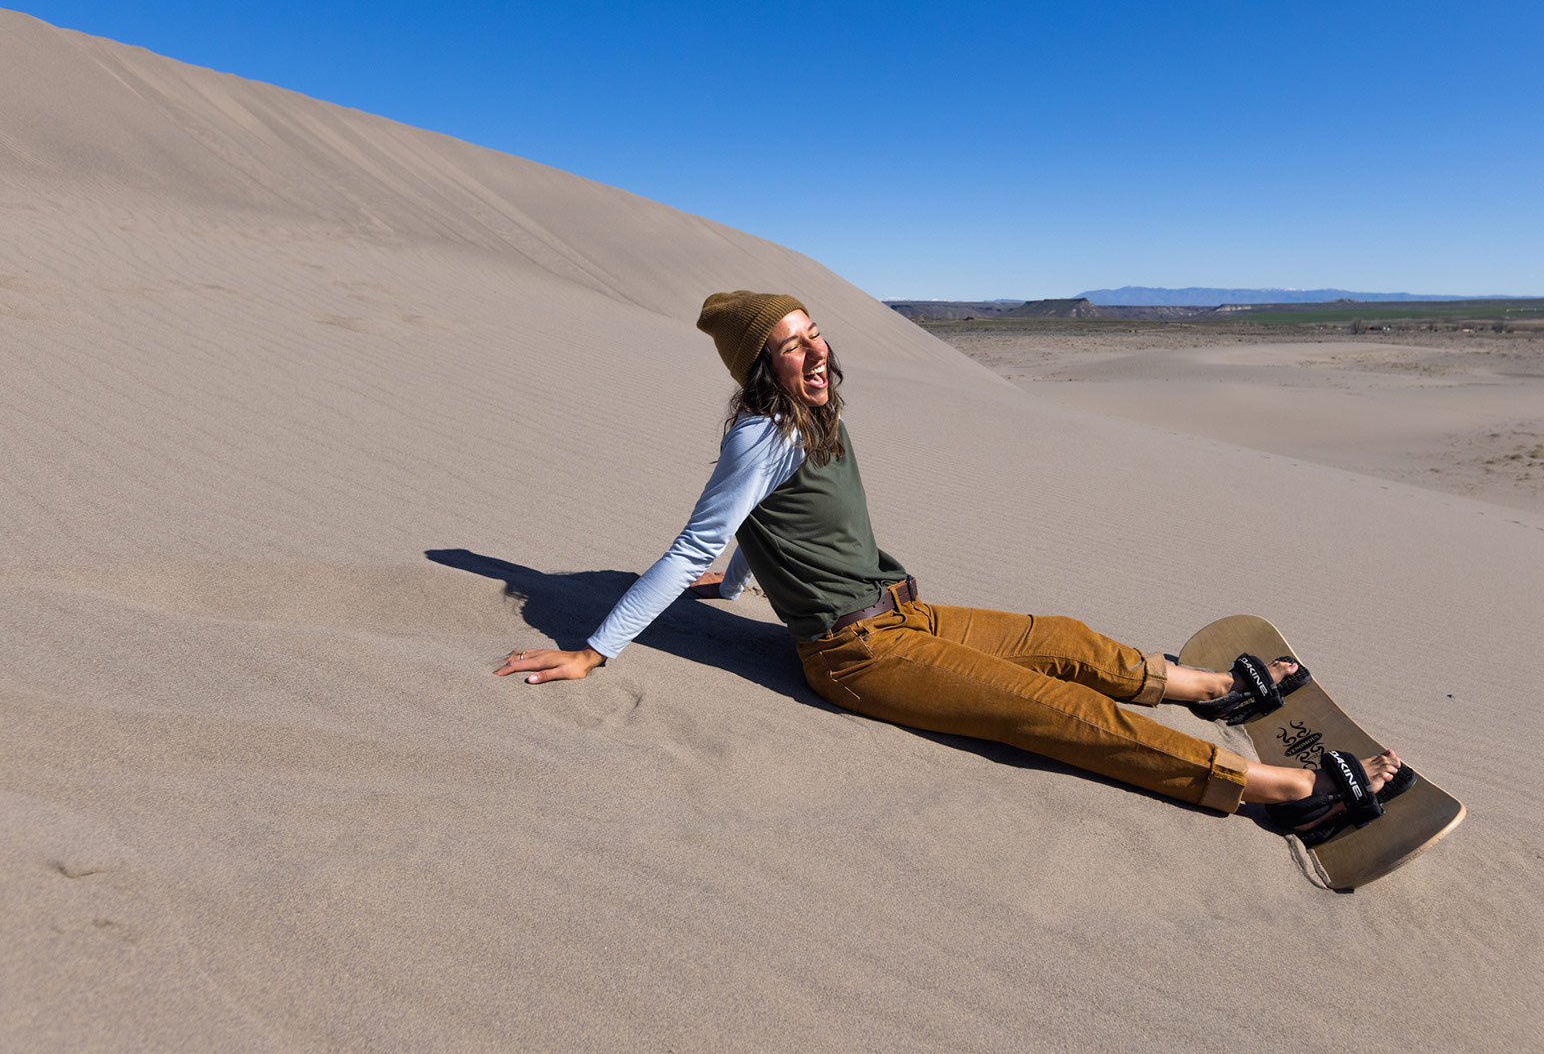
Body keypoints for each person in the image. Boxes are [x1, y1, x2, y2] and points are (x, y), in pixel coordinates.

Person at [498, 291, 1410, 844]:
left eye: (814, 334)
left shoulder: (819, 420)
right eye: (791, 345)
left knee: (1061, 640)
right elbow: (696, 538)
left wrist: (739, 581)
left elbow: (759, 527)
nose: (815, 352)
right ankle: (1287, 794)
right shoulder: (765, 433)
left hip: (903, 614)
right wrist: (596, 651)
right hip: (857, 657)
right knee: (1056, 713)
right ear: (762, 368)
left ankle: (1207, 688)